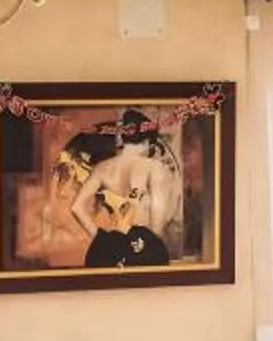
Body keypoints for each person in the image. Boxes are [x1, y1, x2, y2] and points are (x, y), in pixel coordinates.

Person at [58, 110, 185, 268]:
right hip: (142, 247)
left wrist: (102, 239)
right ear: (146, 142)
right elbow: (158, 209)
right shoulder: (153, 167)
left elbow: (76, 207)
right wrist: (148, 244)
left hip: (107, 250)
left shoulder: (102, 168)